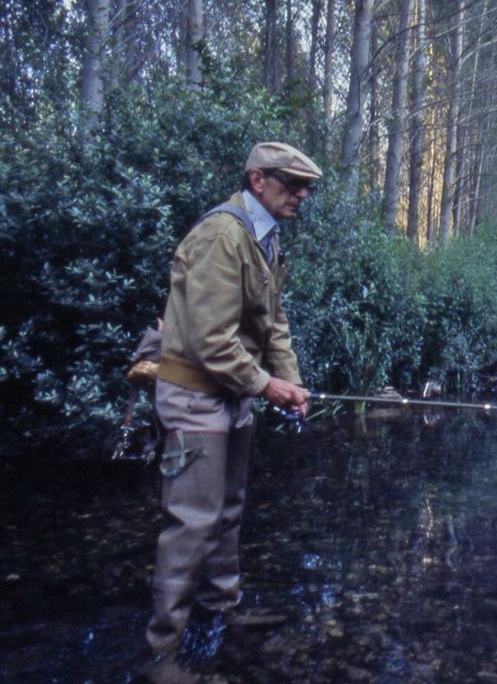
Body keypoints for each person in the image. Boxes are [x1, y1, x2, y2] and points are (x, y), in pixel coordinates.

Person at [143, 142, 318, 678]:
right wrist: (268, 386)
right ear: (257, 180)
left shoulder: (263, 236)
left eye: (306, 187)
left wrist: (291, 382)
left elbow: (274, 323)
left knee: (229, 509)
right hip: (195, 395)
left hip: (232, 396)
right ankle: (160, 654)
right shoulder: (223, 235)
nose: (301, 195)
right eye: (291, 184)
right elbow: (211, 341)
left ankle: (221, 613)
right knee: (191, 523)